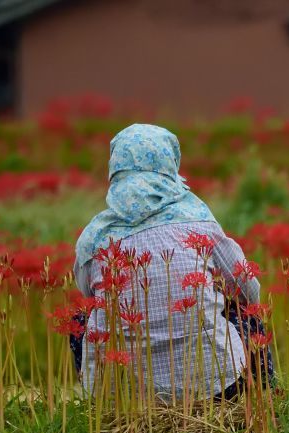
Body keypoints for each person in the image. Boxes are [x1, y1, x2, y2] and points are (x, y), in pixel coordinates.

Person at [70, 123, 274, 402]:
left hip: (121, 397)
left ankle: (100, 405)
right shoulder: (199, 221)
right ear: (170, 165)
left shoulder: (93, 238)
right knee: (247, 315)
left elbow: (88, 295)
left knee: (79, 321)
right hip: (215, 388)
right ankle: (263, 404)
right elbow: (249, 290)